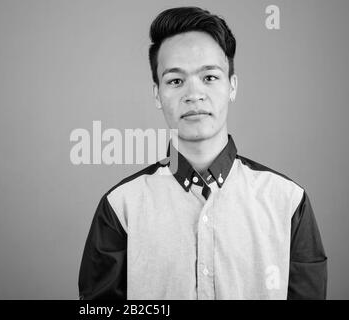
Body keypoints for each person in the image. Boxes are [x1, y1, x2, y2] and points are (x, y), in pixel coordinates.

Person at [78, 6, 327, 300]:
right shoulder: (121, 207)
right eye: (175, 80)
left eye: (209, 77)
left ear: (232, 86)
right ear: (157, 93)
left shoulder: (288, 203)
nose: (193, 94)